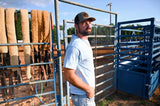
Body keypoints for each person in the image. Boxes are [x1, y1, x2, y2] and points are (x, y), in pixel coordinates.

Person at [63, 12, 96, 106]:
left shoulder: (84, 41)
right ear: (76, 26)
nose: (88, 25)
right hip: (83, 96)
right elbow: (68, 75)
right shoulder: (75, 46)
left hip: (84, 95)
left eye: (89, 22)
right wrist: (88, 89)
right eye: (84, 23)